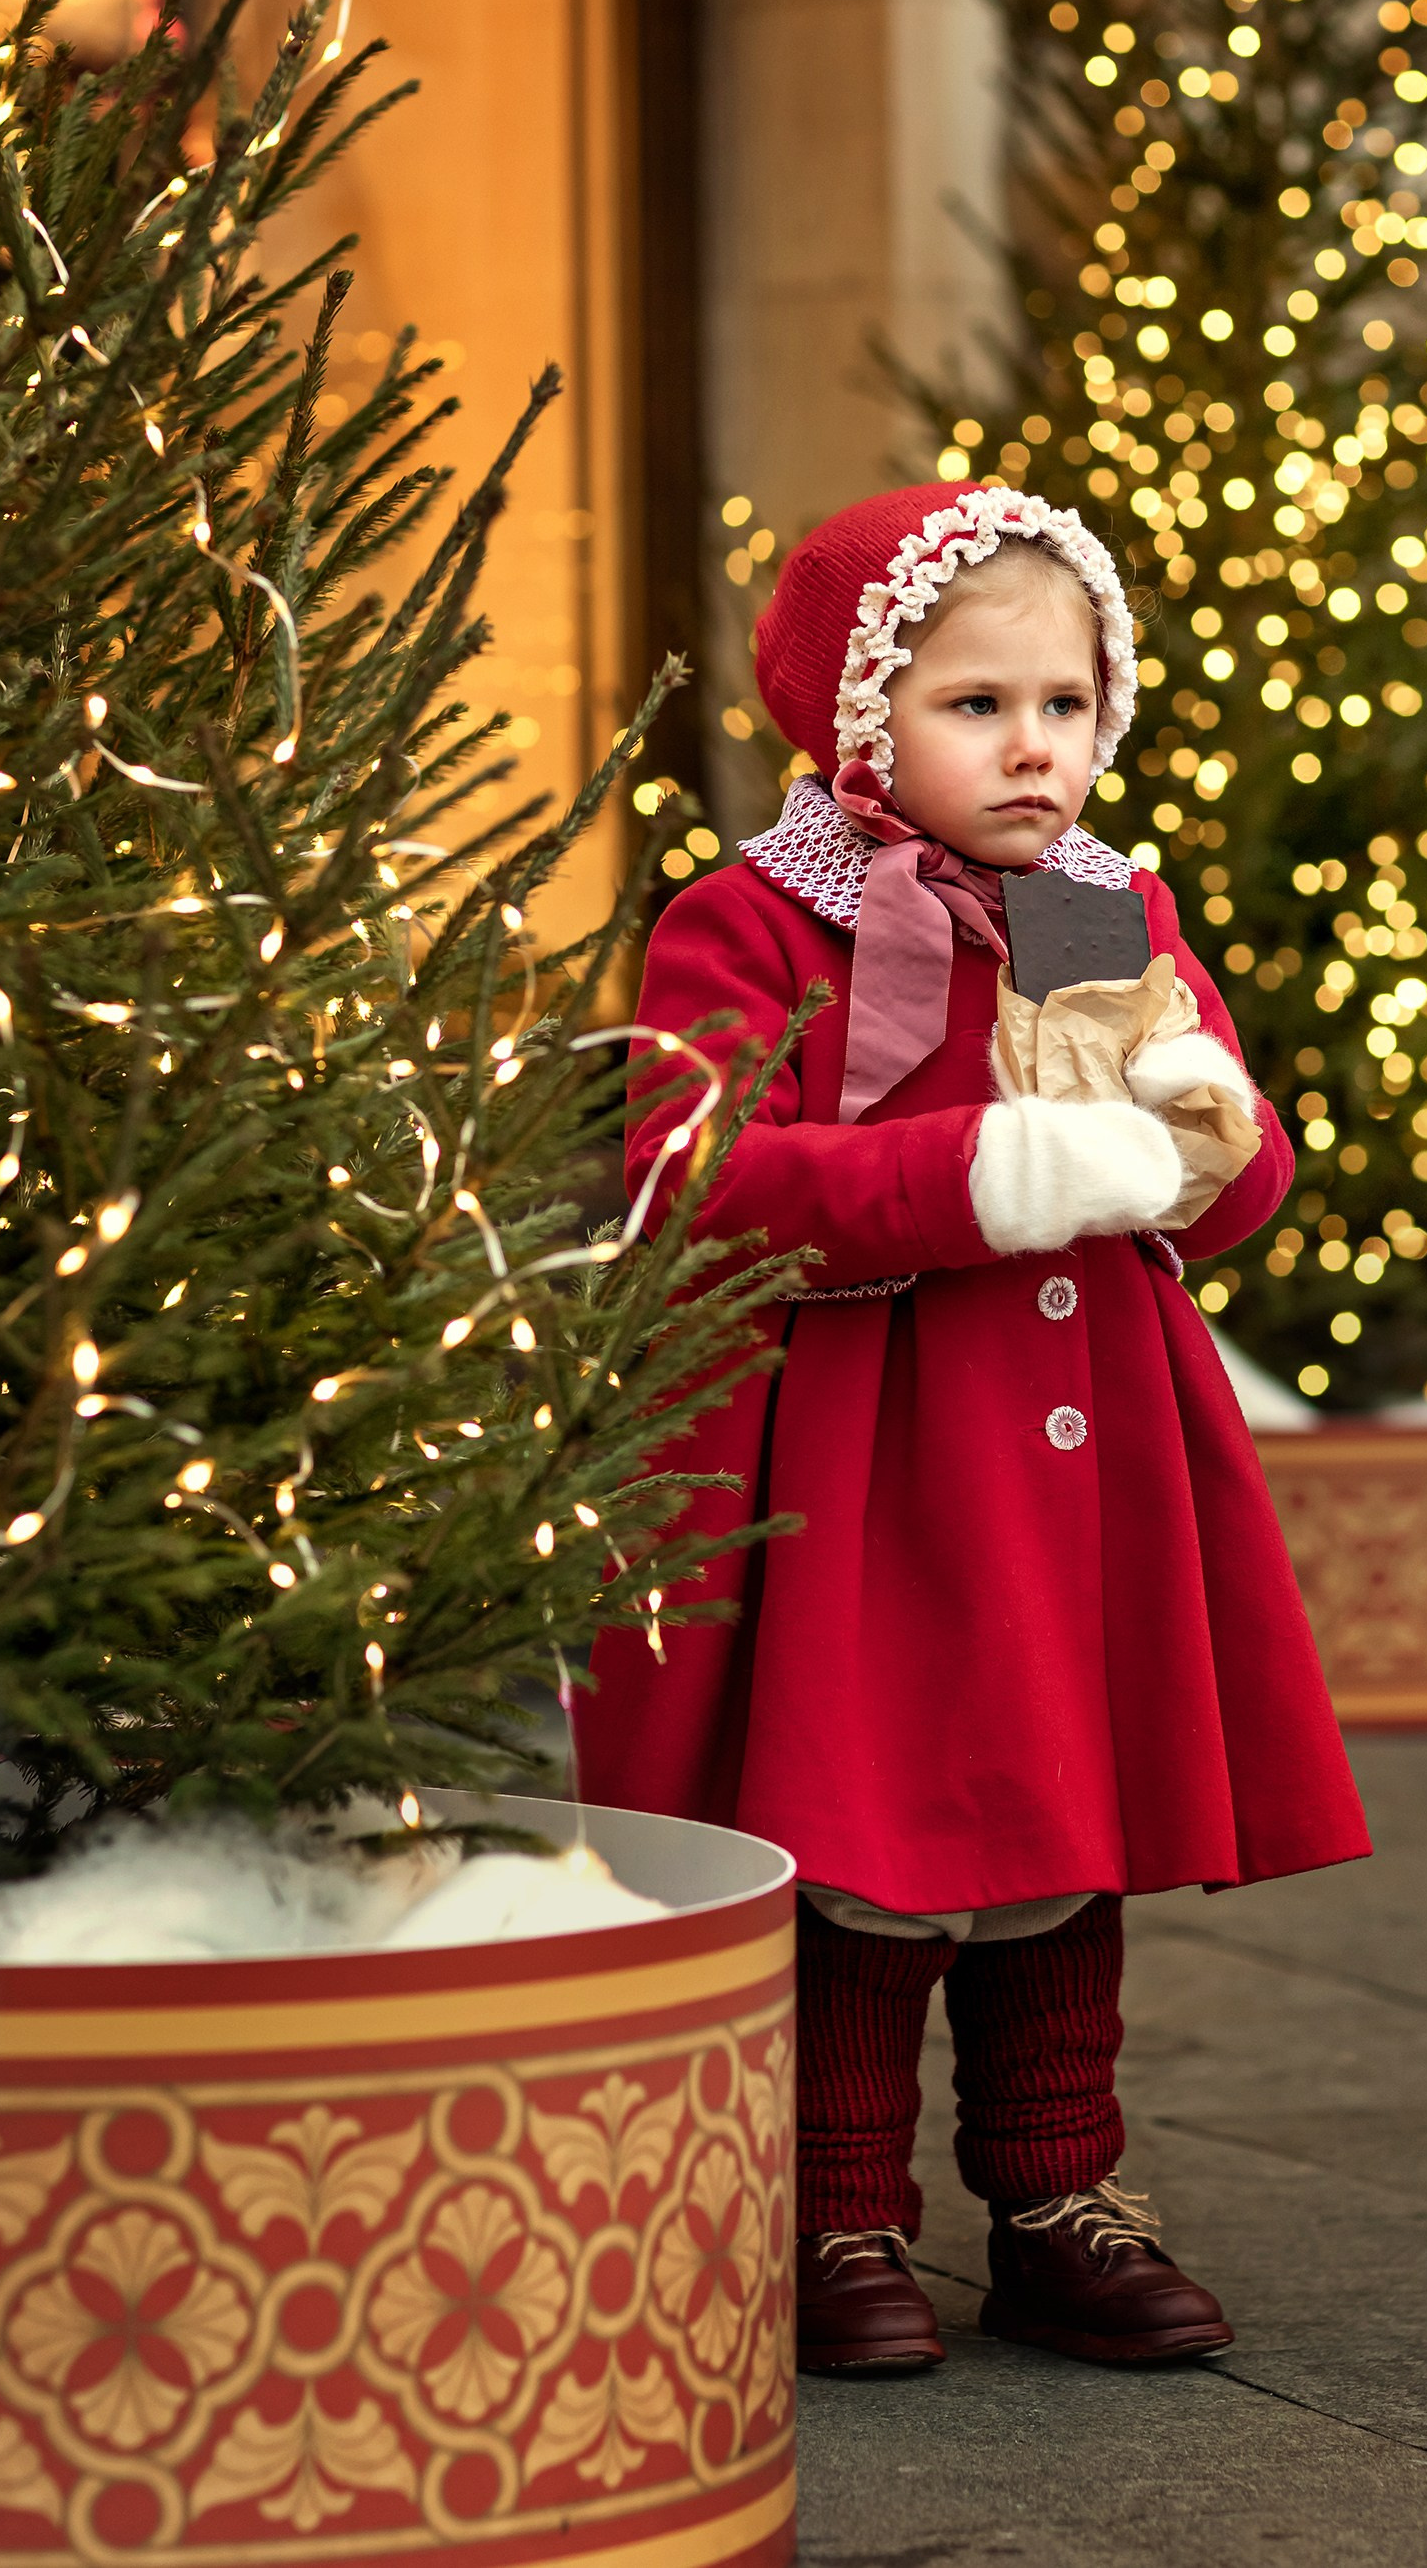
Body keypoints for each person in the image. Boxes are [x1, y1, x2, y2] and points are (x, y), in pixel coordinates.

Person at [579, 483, 1369, 2375]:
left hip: (1090, 1444)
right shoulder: (753, 919)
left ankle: (1058, 2191)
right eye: (976, 706)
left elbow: (1211, 1203)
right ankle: (834, 2208)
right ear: (859, 721)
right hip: (870, 1455)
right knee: (873, 1814)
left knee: (1061, 1817)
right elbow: (696, 1187)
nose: (1037, 750)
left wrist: (1207, 1138)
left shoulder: (1102, 904)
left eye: (1069, 705)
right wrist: (995, 1167)